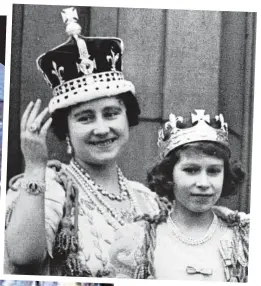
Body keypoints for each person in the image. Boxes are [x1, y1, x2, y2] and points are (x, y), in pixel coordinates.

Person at [4, 7, 159, 276]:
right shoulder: (49, 188)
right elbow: (23, 257)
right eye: (85, 118)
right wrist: (34, 166)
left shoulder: (146, 198)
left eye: (111, 114)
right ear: (66, 132)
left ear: (127, 119)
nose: (102, 128)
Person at [109, 110, 250, 282]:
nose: (203, 183)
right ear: (168, 175)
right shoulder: (138, 240)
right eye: (191, 170)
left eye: (213, 171)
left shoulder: (245, 235)